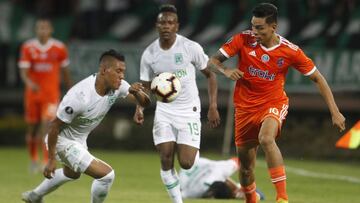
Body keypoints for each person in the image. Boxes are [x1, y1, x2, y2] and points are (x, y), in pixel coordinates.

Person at [207, 3, 346, 203]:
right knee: (246, 169)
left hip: (273, 102)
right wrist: (226, 70)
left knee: (266, 138)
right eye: (253, 26)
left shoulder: (290, 51)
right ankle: (250, 200)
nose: (254, 32)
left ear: (274, 27)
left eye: (260, 28)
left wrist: (335, 111)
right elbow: (212, 62)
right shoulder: (242, 39)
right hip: (245, 108)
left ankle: (282, 197)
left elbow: (318, 78)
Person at [21, 49, 150, 203]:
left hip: (79, 139)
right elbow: (54, 127)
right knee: (106, 175)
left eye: (123, 71)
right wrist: (50, 160)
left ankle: (34, 196)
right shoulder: (79, 97)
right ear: (103, 70)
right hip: (62, 141)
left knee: (72, 174)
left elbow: (144, 102)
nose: (122, 76)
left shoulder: (118, 85)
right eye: (118, 71)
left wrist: (138, 104)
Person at [133, 4, 220, 203]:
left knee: (187, 163)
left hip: (189, 110)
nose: (166, 26)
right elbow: (145, 86)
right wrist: (139, 107)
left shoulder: (190, 48)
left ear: (177, 26)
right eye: (162, 22)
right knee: (165, 156)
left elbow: (211, 75)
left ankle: (199, 160)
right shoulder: (149, 53)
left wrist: (213, 106)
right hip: (164, 110)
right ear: (157, 25)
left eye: (170, 22)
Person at [18, 17, 72, 173]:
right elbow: (23, 72)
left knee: (47, 125)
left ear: (51, 30)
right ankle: (33, 159)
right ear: (36, 30)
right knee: (32, 128)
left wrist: (71, 89)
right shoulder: (28, 47)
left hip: (50, 95)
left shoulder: (59, 48)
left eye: (45, 28)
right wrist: (29, 83)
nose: (43, 31)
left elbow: (65, 72)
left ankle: (45, 160)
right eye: (40, 28)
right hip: (32, 95)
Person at [179, 156, 265, 200]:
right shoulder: (194, 192)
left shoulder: (222, 169)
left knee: (257, 193)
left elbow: (240, 160)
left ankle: (241, 190)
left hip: (191, 167)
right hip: (189, 167)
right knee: (259, 194)